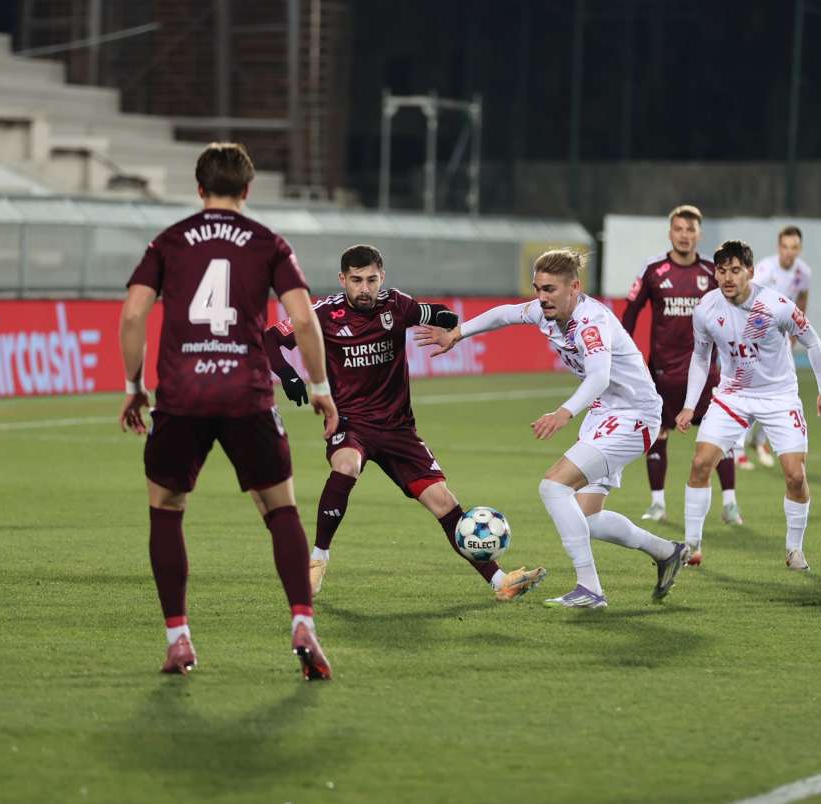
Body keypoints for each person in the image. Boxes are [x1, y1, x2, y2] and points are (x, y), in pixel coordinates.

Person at [119, 142, 338, 680]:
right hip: (246, 395)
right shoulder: (268, 242)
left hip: (182, 396)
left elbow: (132, 315)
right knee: (280, 509)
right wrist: (319, 386)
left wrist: (134, 385)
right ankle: (302, 623)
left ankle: (178, 639)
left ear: (199, 189)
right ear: (247, 189)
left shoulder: (168, 241)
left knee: (166, 508)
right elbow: (303, 320)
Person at [263, 244, 548, 601]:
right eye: (356, 280)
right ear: (342, 279)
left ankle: (500, 582)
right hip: (351, 424)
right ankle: (318, 558)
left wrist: (444, 319)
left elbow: (435, 313)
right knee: (346, 465)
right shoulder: (323, 313)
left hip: (398, 430)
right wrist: (287, 374)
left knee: (444, 503)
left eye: (371, 280)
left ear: (382, 277)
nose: (364, 288)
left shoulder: (396, 305)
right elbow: (270, 338)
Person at [416, 249, 689, 609]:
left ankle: (590, 589)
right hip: (606, 414)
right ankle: (667, 551)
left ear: (574, 287)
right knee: (587, 517)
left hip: (633, 415)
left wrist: (564, 412)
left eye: (549, 289)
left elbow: (599, 376)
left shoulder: (592, 323)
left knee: (553, 487)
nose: (541, 297)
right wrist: (458, 333)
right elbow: (504, 314)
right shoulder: (545, 312)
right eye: (537, 288)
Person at [676, 240, 821, 570]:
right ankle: (692, 545)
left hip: (778, 396)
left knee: (795, 475)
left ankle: (794, 549)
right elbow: (700, 357)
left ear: (750, 271)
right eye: (722, 271)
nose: (728, 278)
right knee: (700, 463)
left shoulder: (776, 305)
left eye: (735, 270)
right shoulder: (706, 309)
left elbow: (812, 341)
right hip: (732, 396)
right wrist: (690, 405)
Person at [620, 204, 742, 532]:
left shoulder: (713, 271)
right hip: (662, 373)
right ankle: (657, 504)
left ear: (699, 234)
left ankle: (730, 504)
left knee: (719, 436)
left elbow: (736, 312)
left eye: (690, 230)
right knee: (658, 434)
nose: (684, 235)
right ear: (670, 232)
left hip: (706, 373)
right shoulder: (653, 270)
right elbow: (629, 314)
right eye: (679, 229)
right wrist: (624, 358)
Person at [735, 225, 815, 470]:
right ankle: (737, 448)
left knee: (783, 393)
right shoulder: (765, 270)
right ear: (779, 247)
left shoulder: (803, 272)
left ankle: (759, 440)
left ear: (800, 249)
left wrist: (796, 331)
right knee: (751, 393)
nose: (789, 252)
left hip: (781, 342)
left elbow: (802, 298)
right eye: (785, 247)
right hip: (757, 340)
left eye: (794, 247)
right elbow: (746, 298)